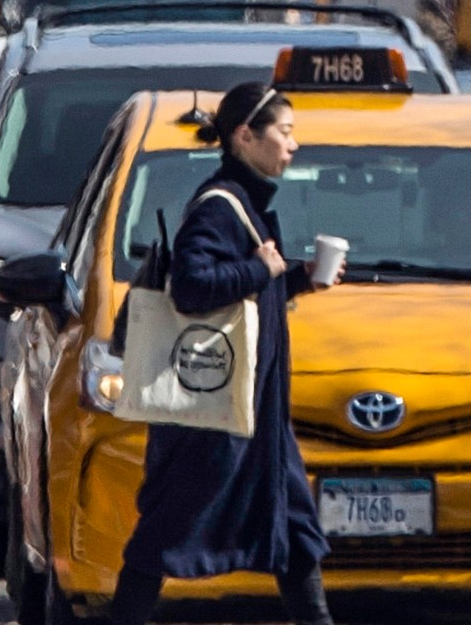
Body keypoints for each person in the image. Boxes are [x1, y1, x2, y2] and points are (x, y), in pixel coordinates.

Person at [111, 82, 331, 625]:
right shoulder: (219, 208)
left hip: (257, 419)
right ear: (243, 136)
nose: (293, 145)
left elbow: (244, 297)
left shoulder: (244, 207)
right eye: (284, 132)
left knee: (297, 533)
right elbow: (192, 288)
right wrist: (261, 269)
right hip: (215, 420)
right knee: (166, 532)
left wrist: (296, 279)